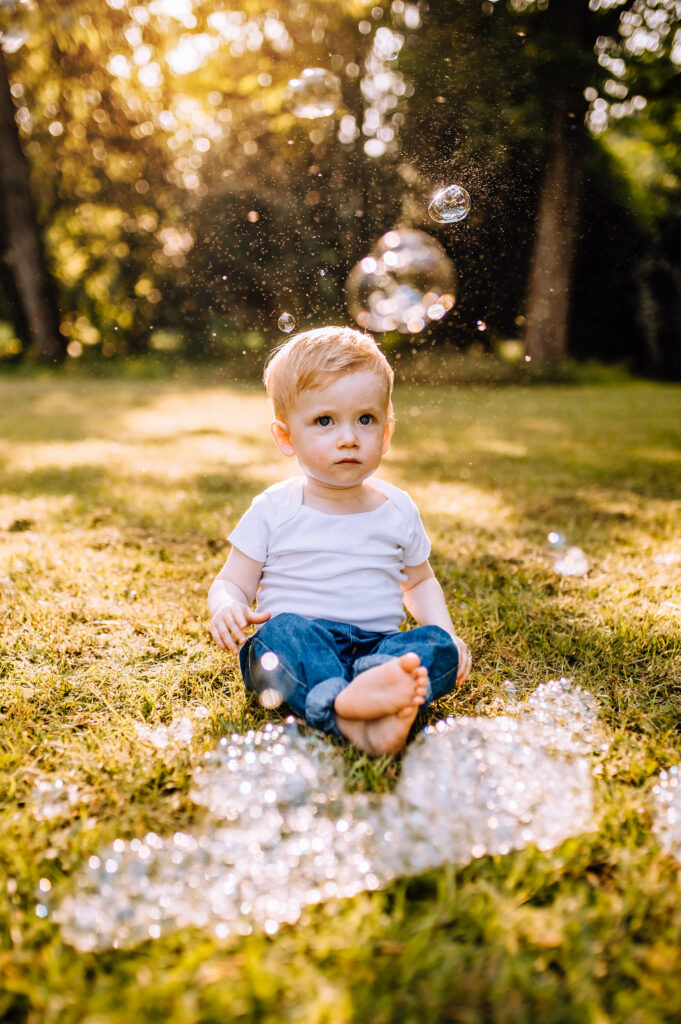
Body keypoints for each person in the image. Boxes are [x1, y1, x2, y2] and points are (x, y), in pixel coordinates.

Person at [208, 326, 471, 756]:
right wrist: (226, 606)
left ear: (385, 433)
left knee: (438, 647)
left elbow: (419, 583)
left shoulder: (397, 507)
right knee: (279, 634)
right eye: (324, 421)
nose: (348, 437)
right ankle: (352, 706)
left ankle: (373, 687)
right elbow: (232, 582)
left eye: (365, 419)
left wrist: (445, 631)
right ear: (286, 437)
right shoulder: (275, 507)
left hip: (378, 647)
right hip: (304, 642)